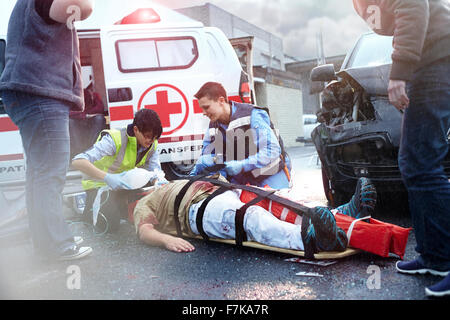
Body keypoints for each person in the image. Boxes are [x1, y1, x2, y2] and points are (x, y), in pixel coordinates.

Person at [353, 0, 450, 297]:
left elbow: (412, 6)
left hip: (436, 63)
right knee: (412, 165)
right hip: (428, 63)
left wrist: (399, 72)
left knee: (423, 165)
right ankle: (435, 257)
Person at [0, 0, 94, 261]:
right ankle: (56, 245)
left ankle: (46, 242)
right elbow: (80, 8)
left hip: (29, 92)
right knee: (50, 173)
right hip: (40, 93)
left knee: (39, 173)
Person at [133, 175, 382, 255]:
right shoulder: (143, 203)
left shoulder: (170, 182)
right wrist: (167, 240)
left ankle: (343, 214)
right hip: (199, 210)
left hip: (226, 192)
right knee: (250, 218)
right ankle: (313, 239)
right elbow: (145, 231)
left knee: (279, 201)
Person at [72, 108, 168, 233]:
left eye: (155, 138)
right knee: (110, 226)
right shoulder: (114, 140)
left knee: (147, 210)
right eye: (148, 136)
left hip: (123, 185)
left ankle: (120, 206)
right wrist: (107, 177)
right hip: (100, 186)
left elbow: (154, 171)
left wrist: (158, 182)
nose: (150, 142)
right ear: (136, 129)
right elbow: (77, 161)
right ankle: (89, 206)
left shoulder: (151, 144)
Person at [191, 82, 292, 189]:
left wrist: (243, 165)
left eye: (206, 107)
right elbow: (208, 155)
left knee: (275, 202)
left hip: (269, 172)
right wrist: (196, 172)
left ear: (221, 101)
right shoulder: (213, 125)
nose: (203, 113)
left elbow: (272, 151)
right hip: (243, 176)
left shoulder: (252, 115)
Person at [69, 82, 107, 159]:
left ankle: (91, 148)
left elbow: (100, 109)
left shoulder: (95, 95)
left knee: (100, 118)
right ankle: (78, 151)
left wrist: (83, 114)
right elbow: (68, 113)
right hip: (78, 121)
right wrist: (85, 115)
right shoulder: (71, 96)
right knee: (69, 121)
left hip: (90, 121)